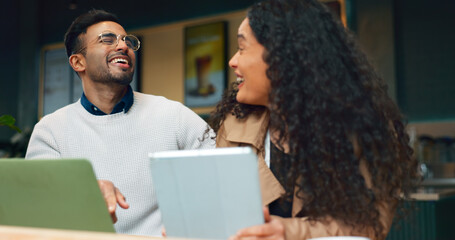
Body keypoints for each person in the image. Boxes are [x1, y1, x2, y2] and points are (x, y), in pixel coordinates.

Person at [209, 0, 420, 239]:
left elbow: (370, 226)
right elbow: (221, 217)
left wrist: (288, 231)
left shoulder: (367, 129)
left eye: (242, 48)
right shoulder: (234, 126)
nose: (233, 61)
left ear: (282, 58)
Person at [26, 10, 214, 236]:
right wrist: (83, 191)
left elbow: (221, 178)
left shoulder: (174, 115)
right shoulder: (50, 131)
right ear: (78, 62)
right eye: (107, 39)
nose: (123, 46)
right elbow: (40, 205)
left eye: (127, 40)